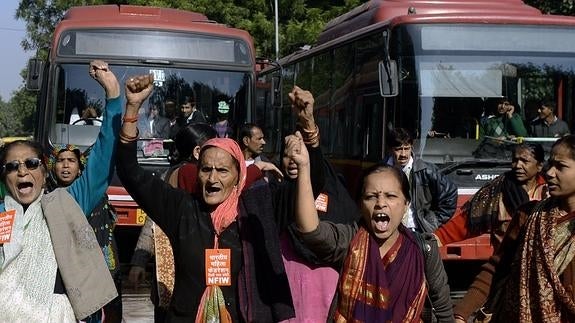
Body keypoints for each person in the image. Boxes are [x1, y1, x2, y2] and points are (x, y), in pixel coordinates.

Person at [116, 77, 295, 321]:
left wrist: (308, 133)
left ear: (238, 176)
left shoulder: (253, 213)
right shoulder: (182, 208)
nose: (212, 179)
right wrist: (133, 109)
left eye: (222, 171)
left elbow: (305, 192)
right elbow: (130, 172)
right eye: (205, 169)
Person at [0, 60, 123, 321]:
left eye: (31, 164)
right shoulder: (1, 213)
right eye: (12, 167)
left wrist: (113, 96)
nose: (22, 172)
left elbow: (102, 159)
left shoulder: (66, 202)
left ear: (44, 173)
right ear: (5, 177)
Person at [291, 140, 454, 322]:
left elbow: (443, 311)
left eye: (391, 196)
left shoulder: (424, 250)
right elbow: (311, 230)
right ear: (360, 205)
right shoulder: (349, 239)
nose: (380, 204)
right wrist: (304, 167)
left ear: (406, 204)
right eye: (371, 197)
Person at [453, 135, 575, 322]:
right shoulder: (529, 215)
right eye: (550, 165)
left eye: (560, 166)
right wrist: (461, 312)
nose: (550, 172)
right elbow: (497, 268)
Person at [46, 143, 123, 323]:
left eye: (71, 161)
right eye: (61, 161)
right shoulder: (46, 197)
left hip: (97, 262)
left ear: (80, 167)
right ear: (52, 166)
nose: (65, 165)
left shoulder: (93, 194)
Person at [434, 143, 547, 251]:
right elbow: (466, 222)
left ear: (539, 166)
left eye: (524, 161)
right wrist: (435, 239)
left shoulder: (549, 191)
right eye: (515, 160)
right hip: (505, 265)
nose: (518, 166)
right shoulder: (499, 189)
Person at [385, 128, 458, 233]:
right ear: (390, 149)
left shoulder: (426, 170)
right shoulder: (380, 172)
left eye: (407, 148)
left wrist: (432, 222)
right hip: (388, 230)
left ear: (412, 147)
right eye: (398, 149)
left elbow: (450, 193)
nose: (403, 154)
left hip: (416, 231)